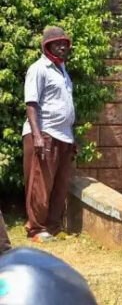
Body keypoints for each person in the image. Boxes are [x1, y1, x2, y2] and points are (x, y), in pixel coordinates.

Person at [22, 26, 77, 243]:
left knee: (60, 185)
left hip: (63, 136)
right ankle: (36, 229)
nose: (62, 46)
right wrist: (37, 135)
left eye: (65, 43)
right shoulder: (39, 68)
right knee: (40, 185)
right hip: (44, 133)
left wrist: (72, 137)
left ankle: (53, 227)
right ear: (47, 46)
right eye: (57, 43)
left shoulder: (63, 70)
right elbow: (31, 103)